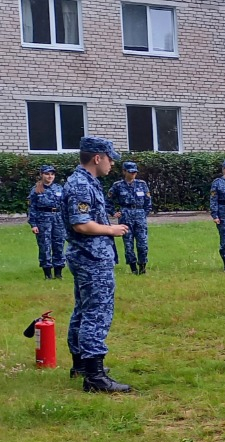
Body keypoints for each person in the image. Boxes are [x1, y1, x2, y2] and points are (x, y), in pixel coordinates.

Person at [62, 136, 130, 393]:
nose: (113, 163)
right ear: (97, 157)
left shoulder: (86, 181)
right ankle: (95, 377)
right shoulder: (81, 184)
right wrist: (111, 229)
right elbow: (81, 224)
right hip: (91, 258)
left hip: (87, 256)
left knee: (83, 309)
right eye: (110, 158)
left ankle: (82, 365)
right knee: (97, 313)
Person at [108, 161, 153, 275]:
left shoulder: (142, 184)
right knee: (128, 245)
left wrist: (144, 213)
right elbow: (107, 201)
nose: (133, 174)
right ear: (124, 171)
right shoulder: (118, 185)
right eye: (130, 172)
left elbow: (148, 201)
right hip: (125, 215)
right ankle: (133, 269)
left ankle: (142, 268)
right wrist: (113, 212)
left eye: (135, 172)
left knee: (142, 244)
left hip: (139, 216)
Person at [28, 164, 67, 279]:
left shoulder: (59, 188)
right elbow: (32, 208)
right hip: (43, 219)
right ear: (41, 175)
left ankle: (58, 273)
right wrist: (33, 224)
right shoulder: (36, 189)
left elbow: (65, 205)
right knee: (45, 246)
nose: (50, 176)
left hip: (58, 219)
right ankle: (48, 274)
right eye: (47, 174)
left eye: (52, 174)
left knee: (59, 244)